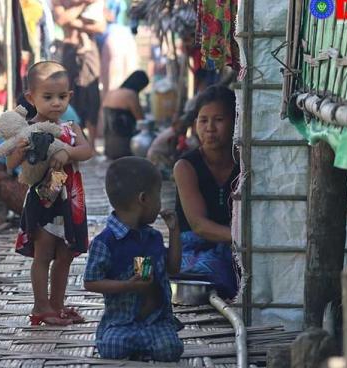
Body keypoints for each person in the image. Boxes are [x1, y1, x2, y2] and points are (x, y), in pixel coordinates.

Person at [7, 61, 94, 325]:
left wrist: (67, 151)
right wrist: (21, 151)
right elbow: (10, 164)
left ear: (70, 96)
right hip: (44, 201)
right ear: (31, 97)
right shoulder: (27, 129)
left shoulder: (70, 127)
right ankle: (40, 306)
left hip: (70, 201)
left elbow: (88, 151)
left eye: (61, 96)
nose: (56, 103)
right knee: (43, 253)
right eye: (48, 97)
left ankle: (56, 305)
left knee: (65, 254)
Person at [84, 157, 184, 362]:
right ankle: (136, 344)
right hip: (121, 322)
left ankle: (144, 344)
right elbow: (90, 282)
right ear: (144, 199)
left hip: (155, 321)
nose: (160, 205)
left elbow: (173, 269)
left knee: (170, 348)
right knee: (113, 346)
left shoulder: (153, 237)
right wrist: (127, 285)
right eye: (158, 197)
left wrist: (174, 232)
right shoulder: (106, 242)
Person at [173, 85, 242, 301]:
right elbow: (199, 226)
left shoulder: (245, 163)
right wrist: (244, 240)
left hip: (233, 246)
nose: (210, 128)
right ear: (195, 125)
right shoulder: (185, 166)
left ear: (235, 122)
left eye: (219, 120)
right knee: (205, 269)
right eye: (203, 121)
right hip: (195, 246)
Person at [52, 0, 106, 152]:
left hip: (90, 53)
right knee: (70, 96)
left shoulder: (93, 5)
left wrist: (74, 22)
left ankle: (92, 145)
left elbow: (101, 27)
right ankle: (74, 142)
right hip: (69, 49)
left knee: (92, 96)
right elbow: (61, 19)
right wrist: (81, 5)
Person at [102, 70, 149, 160]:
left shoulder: (112, 92)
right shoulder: (131, 94)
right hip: (124, 147)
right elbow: (141, 120)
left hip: (109, 147)